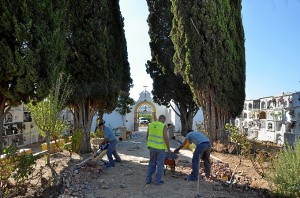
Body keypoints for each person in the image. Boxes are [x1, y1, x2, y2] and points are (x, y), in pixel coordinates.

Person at [145, 115, 170, 185]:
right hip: (160, 148)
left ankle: (148, 179)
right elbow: (166, 138)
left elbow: (147, 136)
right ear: (164, 119)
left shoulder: (150, 124)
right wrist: (168, 148)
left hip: (152, 147)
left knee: (152, 163)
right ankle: (157, 181)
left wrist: (149, 145)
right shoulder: (163, 126)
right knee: (160, 164)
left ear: (159, 119)